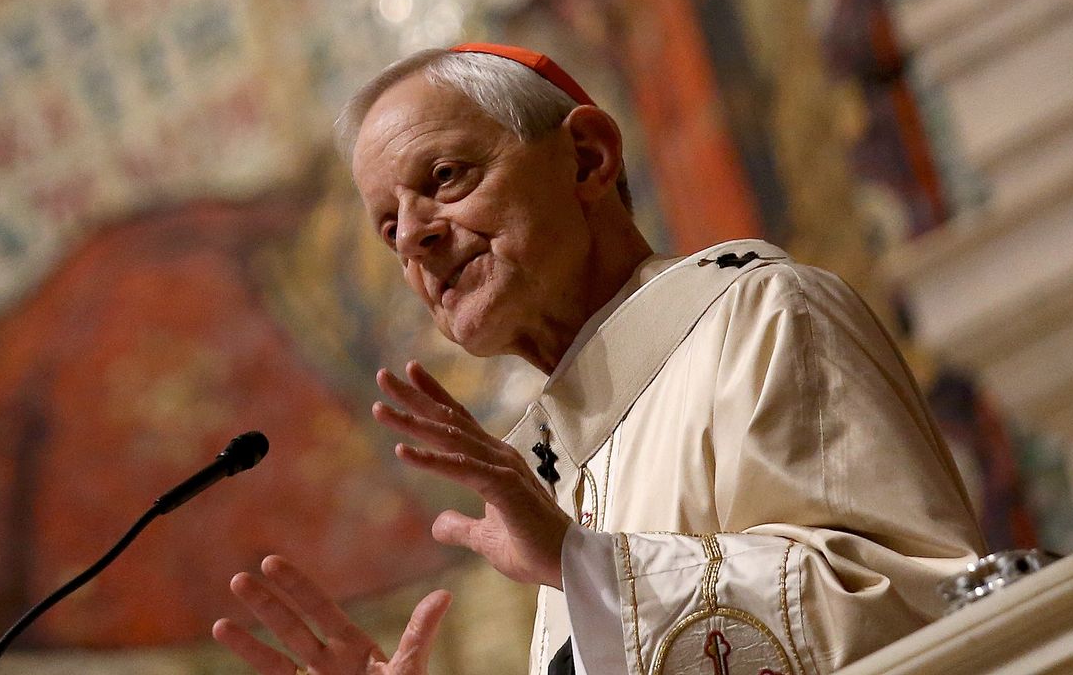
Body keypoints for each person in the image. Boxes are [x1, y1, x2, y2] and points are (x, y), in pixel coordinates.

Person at [212, 44, 984, 675]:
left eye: (444, 178)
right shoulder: (565, 473)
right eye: (388, 228)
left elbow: (912, 606)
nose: (414, 237)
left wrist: (591, 570)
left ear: (587, 158)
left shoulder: (760, 318)